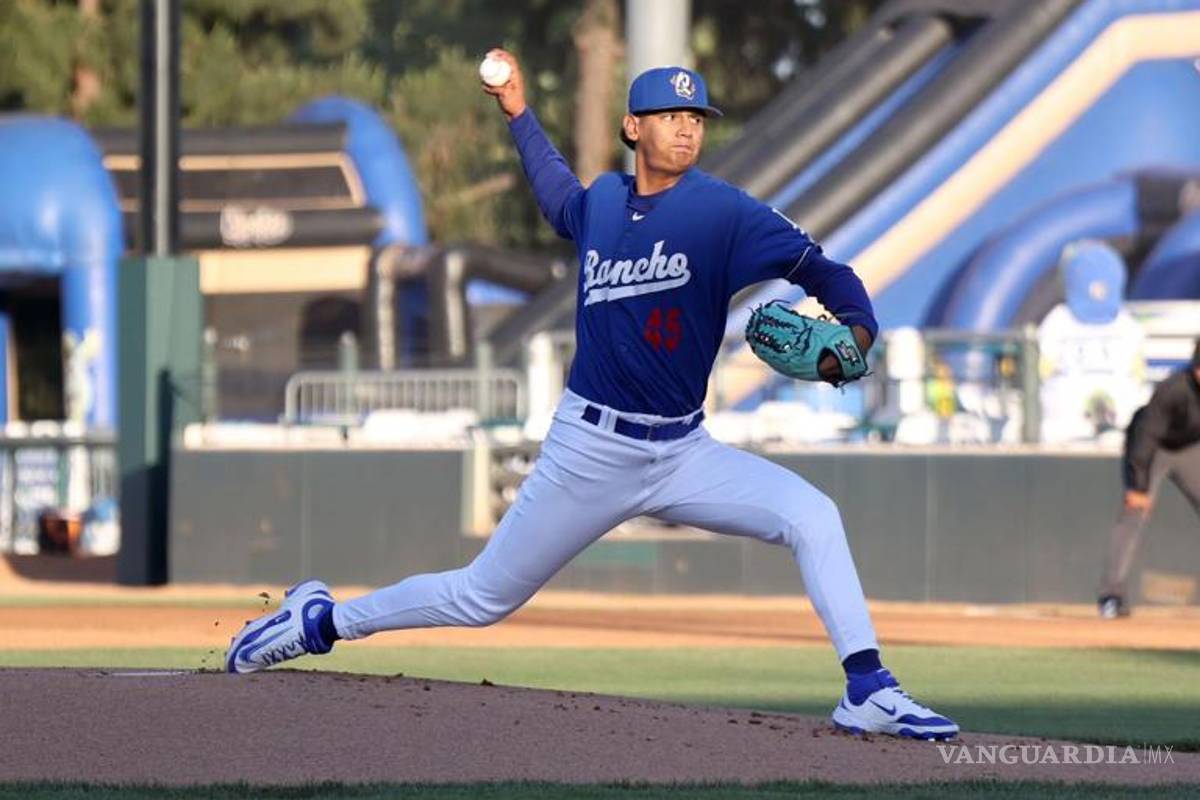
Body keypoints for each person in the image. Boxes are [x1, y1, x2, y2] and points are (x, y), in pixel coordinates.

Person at [226, 50, 958, 741]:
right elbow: (556, 195)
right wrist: (518, 111)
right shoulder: (604, 202)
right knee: (482, 598)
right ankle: (320, 622)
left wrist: (857, 334)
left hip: (683, 451)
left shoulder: (726, 213)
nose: (686, 128)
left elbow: (826, 273)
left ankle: (867, 688)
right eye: (671, 116)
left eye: (697, 118)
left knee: (812, 514)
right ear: (632, 127)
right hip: (590, 448)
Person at [1098, 338, 1200, 618]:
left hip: (1190, 448)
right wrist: (1138, 485)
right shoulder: (1173, 390)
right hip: (1151, 451)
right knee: (1133, 515)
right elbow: (1146, 435)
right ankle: (1111, 597)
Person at [1037, 240, 1147, 444]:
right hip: (1121, 421)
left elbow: (1042, 370)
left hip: (1062, 423)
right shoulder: (1128, 324)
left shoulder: (1057, 321)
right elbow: (1139, 373)